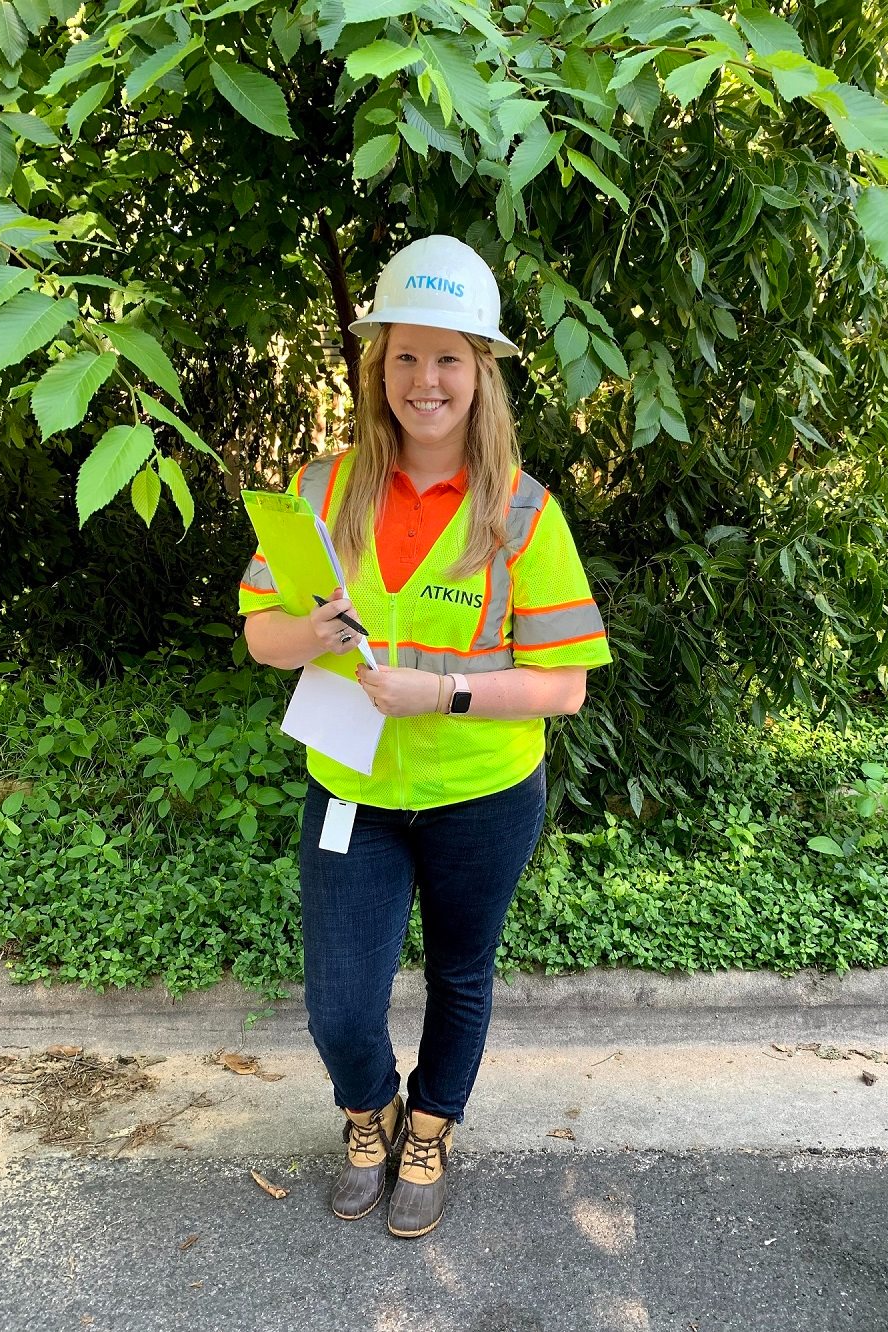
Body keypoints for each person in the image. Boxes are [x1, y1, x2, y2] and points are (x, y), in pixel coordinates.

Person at [238, 235, 611, 1238]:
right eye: (404, 356)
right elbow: (259, 633)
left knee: (459, 972)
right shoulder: (321, 488)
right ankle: (370, 1115)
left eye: (448, 358)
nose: (424, 380)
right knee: (338, 1005)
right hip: (349, 786)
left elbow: (566, 686)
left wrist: (440, 693)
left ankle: (430, 1130)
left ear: (479, 372)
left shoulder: (523, 513)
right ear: (378, 367)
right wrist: (306, 632)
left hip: (482, 795)